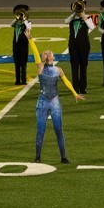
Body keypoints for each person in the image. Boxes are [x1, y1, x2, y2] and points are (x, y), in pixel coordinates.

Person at [26, 30, 84, 164]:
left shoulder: (58, 70)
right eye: (47, 53)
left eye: (49, 52)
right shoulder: (40, 67)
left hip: (54, 101)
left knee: (58, 129)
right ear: (45, 57)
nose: (49, 53)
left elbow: (67, 81)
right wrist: (30, 39)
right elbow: (35, 54)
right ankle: (37, 157)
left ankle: (63, 157)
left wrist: (75, 93)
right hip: (43, 101)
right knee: (41, 130)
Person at [65, 1, 95, 95]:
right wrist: (74, 13)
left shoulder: (88, 17)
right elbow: (66, 21)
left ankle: (83, 88)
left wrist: (84, 17)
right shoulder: (72, 18)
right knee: (74, 66)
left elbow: (92, 27)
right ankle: (75, 88)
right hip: (73, 45)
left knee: (83, 66)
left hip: (84, 45)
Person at [10, 5, 31, 85]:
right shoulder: (16, 23)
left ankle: (23, 80)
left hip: (24, 45)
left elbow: (29, 28)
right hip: (16, 45)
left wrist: (24, 19)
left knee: (23, 63)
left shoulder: (28, 22)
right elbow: (11, 24)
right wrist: (17, 18)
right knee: (17, 63)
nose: (21, 15)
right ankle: (17, 80)